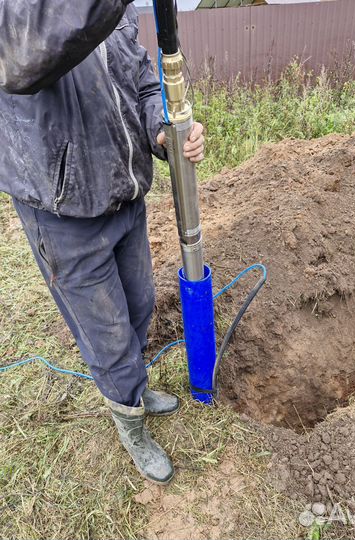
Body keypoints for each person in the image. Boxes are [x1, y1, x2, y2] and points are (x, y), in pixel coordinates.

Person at [0, 0, 205, 485]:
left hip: (123, 191)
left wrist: (162, 128)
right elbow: (25, 56)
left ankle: (135, 389)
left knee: (139, 306)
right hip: (64, 209)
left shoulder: (114, 11)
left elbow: (141, 79)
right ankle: (129, 419)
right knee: (107, 336)